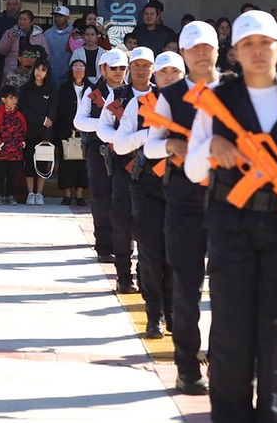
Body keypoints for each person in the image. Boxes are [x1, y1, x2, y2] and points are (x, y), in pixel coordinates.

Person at [185, 10, 277, 421]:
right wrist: (211, 148)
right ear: (234, 52)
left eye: (265, 43)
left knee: (276, 334)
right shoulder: (215, 100)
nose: (256, 52)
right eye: (247, 44)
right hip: (230, 227)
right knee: (230, 334)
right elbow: (193, 169)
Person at [144, 21, 221, 395]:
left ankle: (223, 360)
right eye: (194, 48)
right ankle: (188, 367)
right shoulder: (172, 96)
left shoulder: (234, 91)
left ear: (218, 51)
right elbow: (150, 146)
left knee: (228, 287)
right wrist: (171, 146)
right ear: (184, 54)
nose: (202, 53)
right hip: (185, 199)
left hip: (229, 200)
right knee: (187, 286)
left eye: (207, 47)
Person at [115, 50, 185, 343]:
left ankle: (173, 311)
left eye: (174, 72)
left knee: (176, 253)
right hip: (147, 185)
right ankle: (154, 312)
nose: (168, 77)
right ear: (156, 75)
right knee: (150, 251)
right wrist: (150, 136)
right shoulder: (140, 103)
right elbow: (120, 145)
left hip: (183, 186)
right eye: (164, 72)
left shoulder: (196, 103)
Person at [96, 47, 150, 296]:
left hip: (152, 169)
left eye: (145, 65)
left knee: (148, 223)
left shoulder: (161, 97)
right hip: (123, 166)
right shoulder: (119, 95)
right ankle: (124, 276)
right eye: (136, 65)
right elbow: (102, 128)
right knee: (122, 222)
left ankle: (145, 273)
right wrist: (122, 140)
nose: (140, 70)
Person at [74, 50, 128, 266]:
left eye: (122, 67)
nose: (118, 72)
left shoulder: (131, 92)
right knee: (101, 198)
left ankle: (123, 244)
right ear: (103, 69)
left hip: (126, 150)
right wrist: (103, 126)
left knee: (124, 198)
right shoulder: (93, 91)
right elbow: (79, 121)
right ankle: (104, 247)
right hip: (99, 150)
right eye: (113, 68)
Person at [19, 59, 56, 205]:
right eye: (37, 69)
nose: (39, 72)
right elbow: (24, 110)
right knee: (29, 162)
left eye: (43, 70)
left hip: (45, 132)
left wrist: (47, 122)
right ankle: (30, 193)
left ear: (47, 73)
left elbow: (53, 110)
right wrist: (41, 120)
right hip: (29, 131)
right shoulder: (25, 89)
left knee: (43, 162)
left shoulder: (51, 89)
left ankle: (39, 193)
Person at [55, 59, 90, 206]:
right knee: (66, 163)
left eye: (81, 67)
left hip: (86, 131)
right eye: (75, 67)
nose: (78, 70)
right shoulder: (64, 88)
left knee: (82, 164)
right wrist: (73, 124)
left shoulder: (90, 88)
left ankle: (80, 195)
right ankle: (67, 194)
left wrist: (83, 125)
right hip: (67, 130)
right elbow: (61, 109)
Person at [0, 84, 27, 205]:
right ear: (3, 99)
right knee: (0, 175)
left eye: (15, 98)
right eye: (11, 98)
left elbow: (24, 131)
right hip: (1, 153)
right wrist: (0, 144)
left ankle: (10, 195)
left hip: (16, 153)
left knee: (13, 175)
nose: (14, 101)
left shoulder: (19, 115)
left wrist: (22, 143)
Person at [0, 10, 50, 77]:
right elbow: (0, 51)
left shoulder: (39, 36)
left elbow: (46, 55)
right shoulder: (10, 32)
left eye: (25, 20)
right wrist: (8, 38)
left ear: (31, 22)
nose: (21, 22)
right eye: (20, 19)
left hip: (32, 74)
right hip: (12, 72)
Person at [44, 5, 73, 87]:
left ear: (67, 18)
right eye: (56, 16)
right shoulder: (47, 33)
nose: (57, 18)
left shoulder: (74, 33)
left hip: (68, 76)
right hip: (50, 76)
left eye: (61, 16)